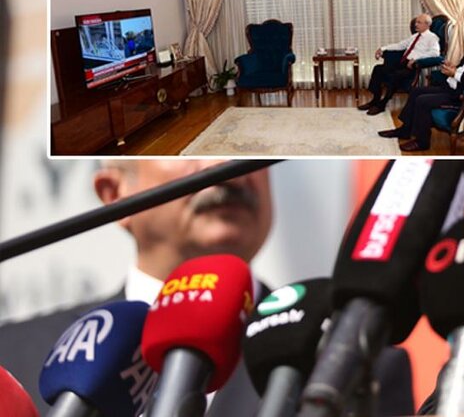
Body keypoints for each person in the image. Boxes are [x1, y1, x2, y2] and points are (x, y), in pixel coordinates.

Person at [0, 160, 415, 416]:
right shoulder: (10, 354)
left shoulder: (357, 363)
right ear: (115, 194)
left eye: (246, 151)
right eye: (186, 153)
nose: (225, 166)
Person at [378, 22, 464, 152]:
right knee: (416, 91)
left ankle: (422, 142)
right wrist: (454, 67)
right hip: (452, 87)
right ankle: (405, 130)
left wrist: (455, 73)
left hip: (463, 95)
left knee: (422, 101)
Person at [358, 13, 441, 115]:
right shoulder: (415, 36)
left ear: (427, 25)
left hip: (412, 67)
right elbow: (400, 45)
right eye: (416, 22)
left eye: (419, 22)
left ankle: (382, 104)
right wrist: (382, 49)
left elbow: (435, 53)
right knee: (378, 69)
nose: (416, 24)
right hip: (402, 62)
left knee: (395, 75)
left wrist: (417, 59)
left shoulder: (432, 38)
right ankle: (375, 100)